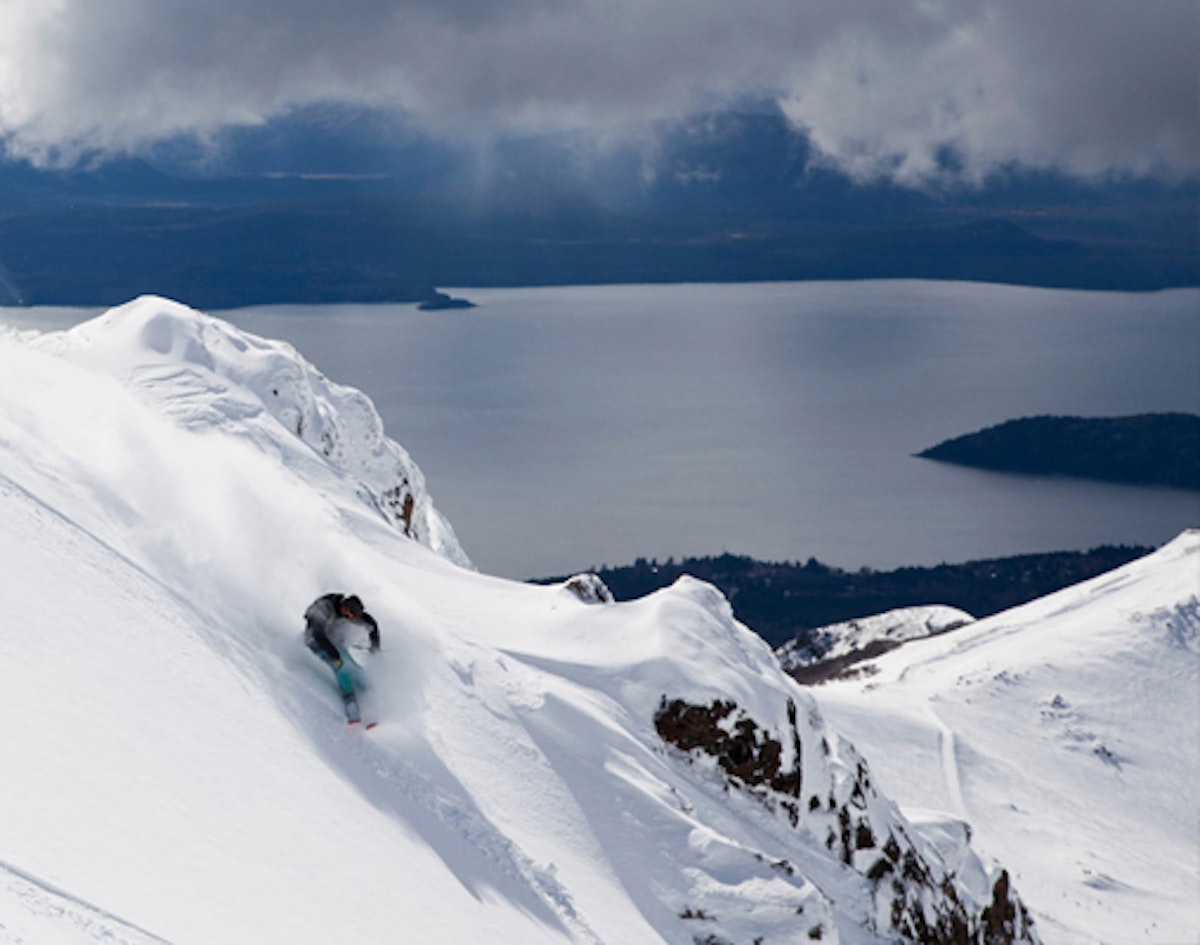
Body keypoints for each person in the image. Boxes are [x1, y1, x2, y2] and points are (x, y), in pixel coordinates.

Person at [304, 592, 380, 723]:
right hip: (315, 642)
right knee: (342, 666)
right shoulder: (325, 607)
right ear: (343, 606)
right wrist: (334, 656)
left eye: (349, 615)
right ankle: (351, 706)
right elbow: (317, 633)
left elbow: (372, 625)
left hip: (334, 643)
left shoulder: (351, 613)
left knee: (356, 670)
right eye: (344, 610)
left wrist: (375, 649)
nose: (345, 614)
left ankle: (372, 700)